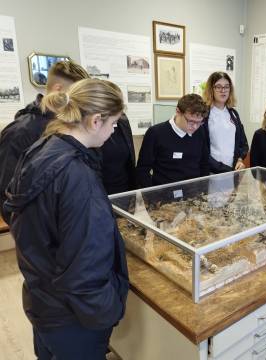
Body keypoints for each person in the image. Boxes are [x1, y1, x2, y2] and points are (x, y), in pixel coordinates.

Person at [2, 79, 129, 360]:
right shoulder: (78, 177)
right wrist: (112, 310)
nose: (114, 131)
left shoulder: (42, 147)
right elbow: (85, 273)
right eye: (114, 124)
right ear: (96, 121)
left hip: (42, 301)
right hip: (72, 321)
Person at [0, 61, 89, 220]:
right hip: (41, 235)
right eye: (77, 95)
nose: (81, 103)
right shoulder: (19, 132)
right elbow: (8, 200)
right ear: (58, 90)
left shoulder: (71, 124)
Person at [136, 93, 210, 187]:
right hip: (164, 195)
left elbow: (204, 164)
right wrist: (151, 197)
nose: (195, 127)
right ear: (178, 111)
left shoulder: (200, 131)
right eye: (191, 121)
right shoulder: (156, 133)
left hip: (193, 193)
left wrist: (202, 190)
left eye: (199, 122)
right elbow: (142, 170)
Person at [203, 71, 248, 173]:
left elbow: (243, 143)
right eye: (218, 87)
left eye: (226, 87)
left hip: (232, 171)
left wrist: (240, 160)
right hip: (211, 173)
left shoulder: (234, 114)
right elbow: (202, 151)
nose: (223, 91)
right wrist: (223, 169)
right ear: (211, 89)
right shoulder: (204, 115)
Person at [100, 114, 136, 194]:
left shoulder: (122, 120)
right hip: (100, 193)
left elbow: (130, 161)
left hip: (125, 191)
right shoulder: (88, 125)